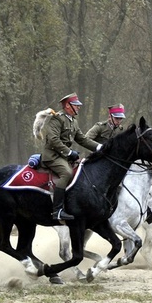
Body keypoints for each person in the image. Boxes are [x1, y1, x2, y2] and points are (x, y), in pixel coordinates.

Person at [42, 93, 101, 221]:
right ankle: (57, 210)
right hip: (52, 156)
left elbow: (82, 139)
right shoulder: (57, 119)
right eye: (76, 105)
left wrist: (100, 148)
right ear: (68, 106)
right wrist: (69, 152)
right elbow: (53, 139)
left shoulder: (73, 121)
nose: (79, 108)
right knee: (67, 173)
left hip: (63, 157)